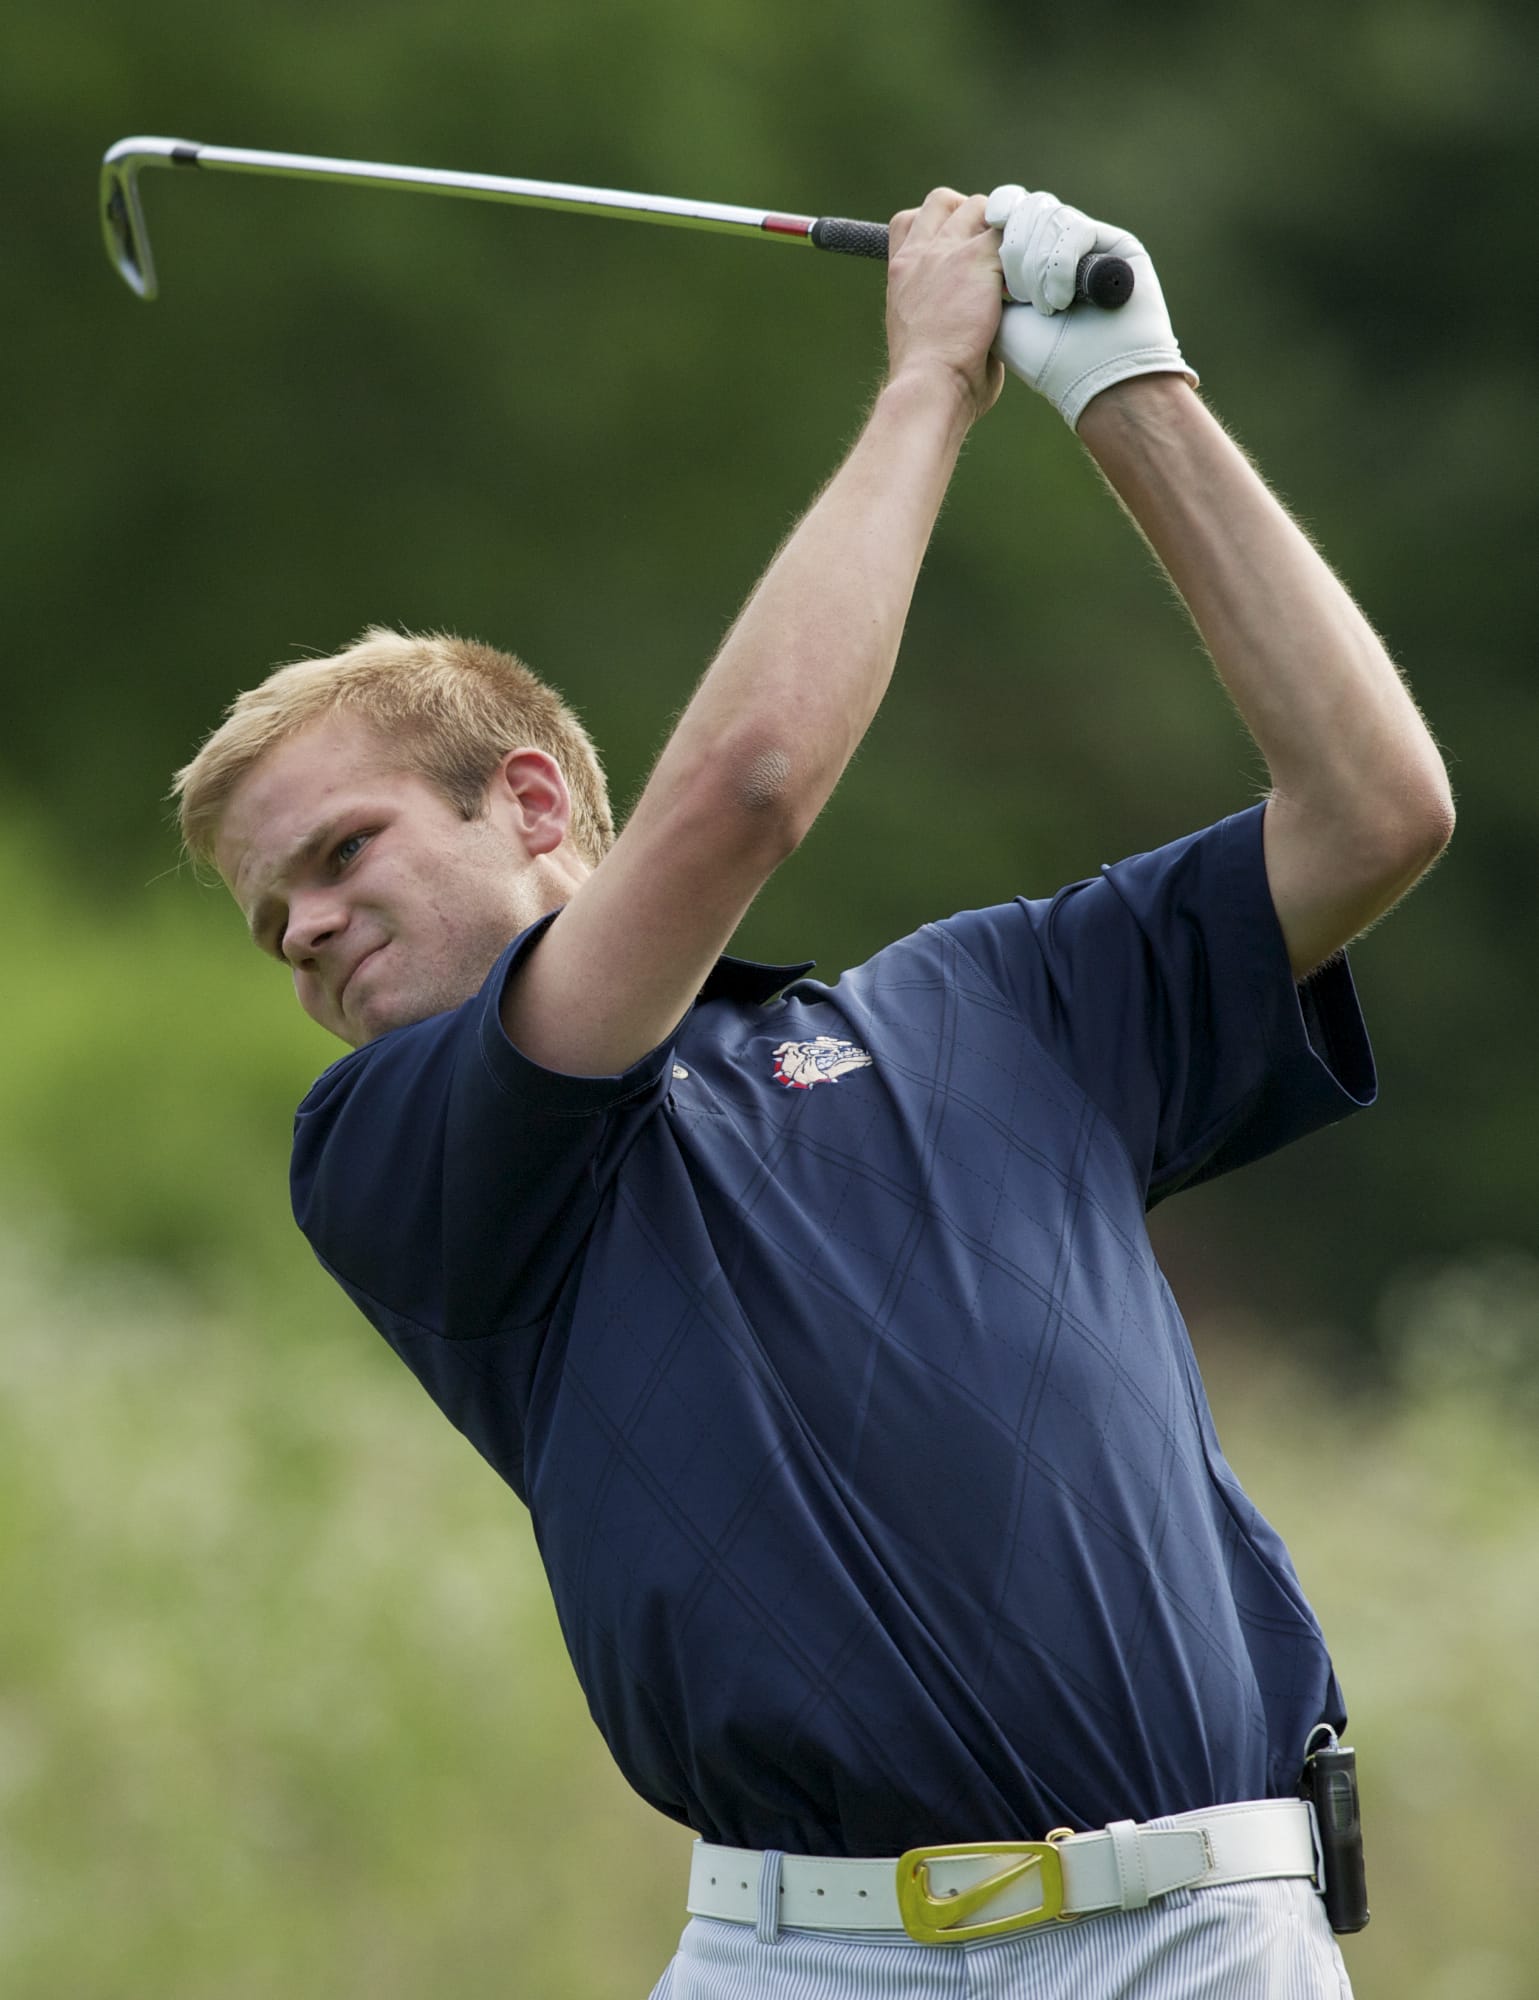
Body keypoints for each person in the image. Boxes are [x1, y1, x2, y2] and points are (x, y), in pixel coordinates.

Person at [175, 186, 1453, 1998]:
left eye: (340, 850)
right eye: (266, 917)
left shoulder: (997, 1000)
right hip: (805, 1959)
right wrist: (933, 378)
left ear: (531, 806)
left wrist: (1125, 382)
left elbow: (1375, 808)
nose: (300, 929)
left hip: (1200, 1936)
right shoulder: (399, 1154)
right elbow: (752, 788)